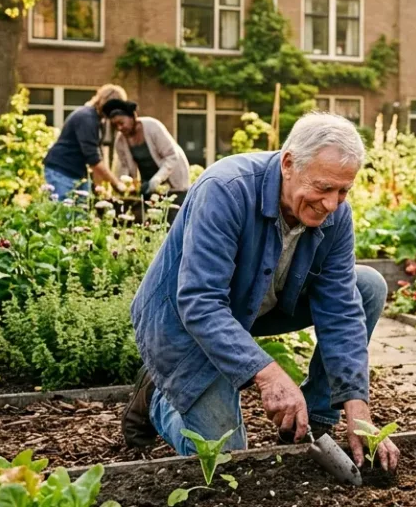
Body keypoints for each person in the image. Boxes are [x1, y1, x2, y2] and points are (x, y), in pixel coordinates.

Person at [122, 112, 398, 471]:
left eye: (343, 190)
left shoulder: (335, 216)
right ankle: (158, 399)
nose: (331, 204)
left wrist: (357, 408)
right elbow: (200, 301)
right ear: (288, 164)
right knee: (225, 456)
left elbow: (342, 310)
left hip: (253, 308)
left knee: (367, 286)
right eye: (323, 188)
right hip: (184, 321)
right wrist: (269, 375)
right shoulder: (225, 189)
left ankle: (313, 422)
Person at [42, 84, 129, 199]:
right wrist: (116, 184)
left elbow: (97, 158)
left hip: (76, 173)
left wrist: (99, 188)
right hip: (61, 171)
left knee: (82, 212)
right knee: (65, 213)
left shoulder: (97, 120)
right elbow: (93, 159)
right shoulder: (86, 118)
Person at [104, 99, 192, 204]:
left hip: (173, 179)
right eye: (115, 126)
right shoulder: (120, 141)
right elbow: (124, 167)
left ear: (132, 117)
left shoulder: (153, 126)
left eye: (121, 123)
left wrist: (158, 179)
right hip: (149, 183)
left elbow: (172, 156)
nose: (119, 128)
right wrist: (126, 186)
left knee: (173, 212)